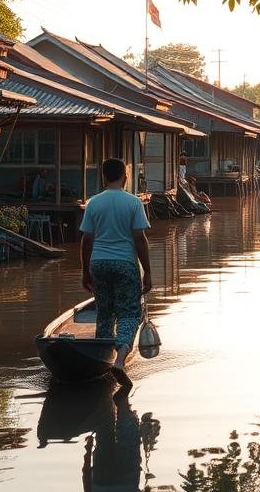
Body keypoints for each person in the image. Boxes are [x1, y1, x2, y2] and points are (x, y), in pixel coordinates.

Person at [80, 158, 153, 394]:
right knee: (130, 313)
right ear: (125, 176)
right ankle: (119, 360)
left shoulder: (93, 203)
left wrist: (85, 270)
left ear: (103, 177)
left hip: (99, 263)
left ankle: (100, 360)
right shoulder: (133, 203)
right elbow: (139, 239)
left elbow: (86, 240)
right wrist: (148, 272)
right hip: (124, 264)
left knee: (104, 312)